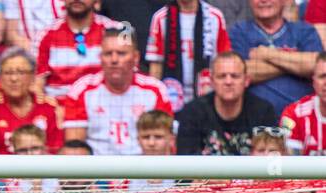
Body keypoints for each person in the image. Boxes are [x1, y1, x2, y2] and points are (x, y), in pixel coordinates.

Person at [62, 26, 173, 157]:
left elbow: (167, 144)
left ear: (136, 57)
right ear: (100, 57)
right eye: (108, 54)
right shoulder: (81, 90)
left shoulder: (155, 90)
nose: (114, 60)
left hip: (143, 171)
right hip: (96, 171)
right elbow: (75, 148)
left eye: (121, 53)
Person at [174, 50, 279, 154]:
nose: (228, 82)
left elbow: (272, 161)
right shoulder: (192, 112)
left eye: (235, 76)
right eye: (222, 76)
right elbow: (185, 163)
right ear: (212, 81)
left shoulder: (264, 111)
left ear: (246, 80)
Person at [230, 0, 323, 113]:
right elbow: (239, 72)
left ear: (284, 1)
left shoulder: (304, 31)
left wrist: (267, 54)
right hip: (254, 118)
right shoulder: (239, 31)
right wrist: (294, 64)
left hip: (301, 119)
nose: (263, 1)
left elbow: (317, 66)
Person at [0, 48, 64, 154]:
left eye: (21, 72)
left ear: (33, 77)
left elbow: (55, 153)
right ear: (0, 77)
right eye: (8, 73)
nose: (14, 78)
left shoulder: (49, 106)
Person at [146, 0, 231, 111]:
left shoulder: (214, 17)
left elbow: (224, 61)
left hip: (208, 96)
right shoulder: (161, 18)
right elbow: (156, 67)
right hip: (171, 97)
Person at [36, 0, 116, 101]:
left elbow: (129, 79)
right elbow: (36, 85)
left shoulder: (115, 31)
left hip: (101, 108)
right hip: (59, 109)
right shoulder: (46, 34)